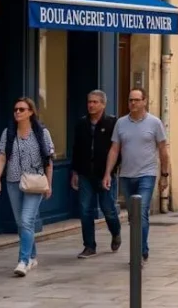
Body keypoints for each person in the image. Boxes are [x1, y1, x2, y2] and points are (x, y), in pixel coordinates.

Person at [103, 88, 169, 262]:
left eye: (137, 100)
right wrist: (108, 173)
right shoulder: (121, 123)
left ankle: (138, 252)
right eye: (130, 100)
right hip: (126, 175)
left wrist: (164, 174)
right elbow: (114, 149)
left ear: (145, 101)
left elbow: (163, 149)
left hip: (147, 174)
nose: (133, 103)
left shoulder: (155, 123)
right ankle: (143, 247)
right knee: (133, 216)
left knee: (141, 212)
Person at [0, 97, 54, 277]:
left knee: (27, 220)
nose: (18, 112)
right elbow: (2, 156)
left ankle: (23, 260)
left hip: (35, 182)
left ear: (31, 112)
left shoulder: (42, 133)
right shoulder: (9, 132)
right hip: (13, 181)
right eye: (16, 109)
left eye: (22, 109)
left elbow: (49, 162)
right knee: (21, 223)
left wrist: (49, 185)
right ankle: (33, 255)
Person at [70, 90, 120, 259]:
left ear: (103, 104)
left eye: (95, 102)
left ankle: (116, 233)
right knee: (85, 211)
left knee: (108, 210)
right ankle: (89, 246)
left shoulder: (112, 123)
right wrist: (75, 172)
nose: (91, 105)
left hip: (104, 174)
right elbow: (76, 149)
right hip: (85, 173)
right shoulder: (81, 124)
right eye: (89, 102)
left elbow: (117, 150)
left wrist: (111, 172)